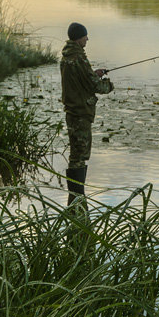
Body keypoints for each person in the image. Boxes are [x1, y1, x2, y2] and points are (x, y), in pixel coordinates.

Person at [60, 22, 113, 204]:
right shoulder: (79, 59)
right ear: (78, 37)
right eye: (85, 36)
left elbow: (82, 79)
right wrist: (108, 85)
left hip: (72, 110)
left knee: (76, 153)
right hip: (81, 111)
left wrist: (94, 73)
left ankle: (75, 197)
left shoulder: (67, 57)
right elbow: (94, 86)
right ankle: (77, 196)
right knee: (79, 155)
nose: (87, 39)